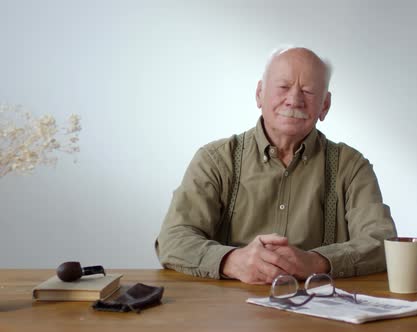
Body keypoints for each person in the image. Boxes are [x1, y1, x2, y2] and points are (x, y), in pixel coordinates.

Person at [155, 46, 396, 285]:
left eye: (309, 91)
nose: (294, 100)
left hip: (321, 314)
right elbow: (173, 238)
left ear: (325, 105)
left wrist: (317, 262)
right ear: (260, 93)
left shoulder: (351, 167)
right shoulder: (215, 159)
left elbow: (382, 241)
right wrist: (232, 260)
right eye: (283, 87)